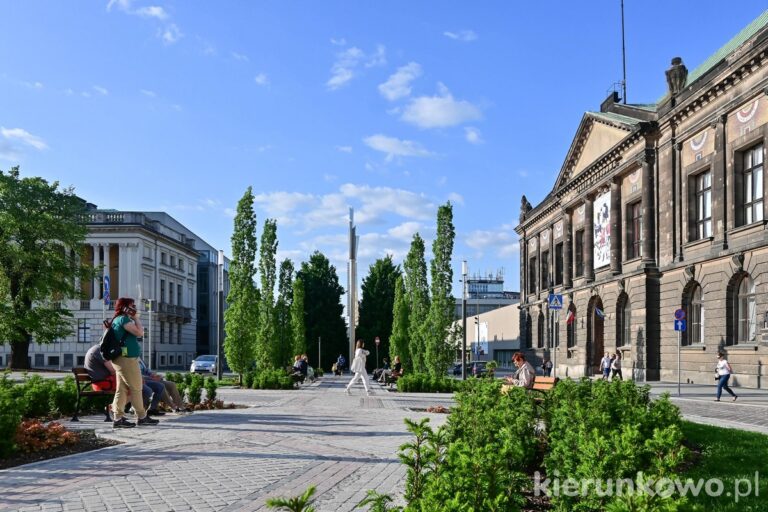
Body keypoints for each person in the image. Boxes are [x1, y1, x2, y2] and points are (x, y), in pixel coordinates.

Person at [109, 297, 159, 428]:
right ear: (125, 307)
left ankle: (118, 419)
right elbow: (140, 333)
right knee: (137, 388)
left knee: (122, 390)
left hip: (122, 359)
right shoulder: (123, 319)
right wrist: (136, 318)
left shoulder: (116, 320)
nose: (134, 307)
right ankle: (142, 417)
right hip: (126, 360)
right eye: (132, 305)